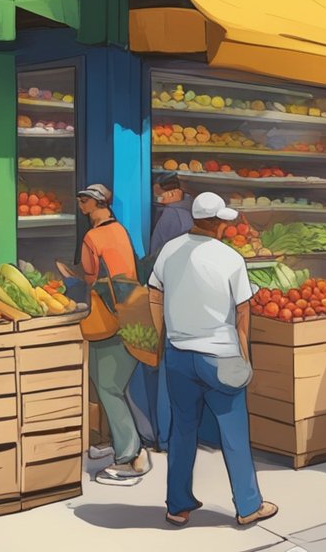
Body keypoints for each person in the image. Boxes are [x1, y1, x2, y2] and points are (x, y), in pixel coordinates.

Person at [149, 192, 276, 527]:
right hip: (220, 354)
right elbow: (243, 313)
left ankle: (177, 505)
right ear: (219, 223)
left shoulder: (169, 251)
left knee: (182, 431)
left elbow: (154, 294)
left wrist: (163, 337)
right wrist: (245, 356)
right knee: (233, 432)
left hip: (179, 355)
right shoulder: (230, 257)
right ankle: (248, 505)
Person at [65, 183, 149, 486]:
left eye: (83, 199)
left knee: (108, 386)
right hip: (129, 310)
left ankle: (131, 456)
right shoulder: (120, 231)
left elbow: (89, 276)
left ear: (95, 203)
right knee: (109, 382)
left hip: (107, 315)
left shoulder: (92, 236)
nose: (79, 203)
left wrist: (70, 279)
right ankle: (119, 442)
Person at [131, 171, 195, 453]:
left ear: (169, 194)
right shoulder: (195, 213)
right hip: (191, 300)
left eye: (159, 194)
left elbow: (156, 260)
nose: (158, 199)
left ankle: (162, 436)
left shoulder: (171, 217)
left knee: (162, 369)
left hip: (167, 298)